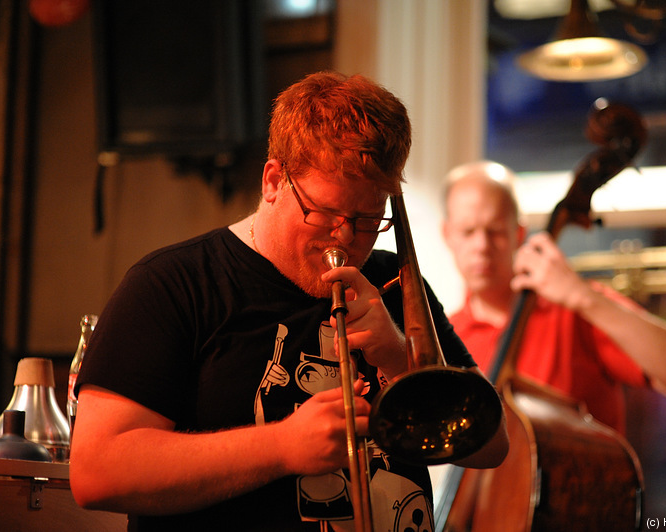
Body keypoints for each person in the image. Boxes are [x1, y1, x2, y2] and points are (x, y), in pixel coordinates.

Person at [69, 72, 508, 531]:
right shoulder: (171, 284)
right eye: (325, 213)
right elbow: (97, 471)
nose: (345, 238)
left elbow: (493, 444)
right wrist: (282, 446)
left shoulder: (394, 283)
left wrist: (399, 358)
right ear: (274, 180)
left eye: (366, 220)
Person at [441, 160, 666, 434]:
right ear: (448, 235)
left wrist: (582, 297)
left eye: (495, 231)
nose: (481, 246)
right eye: (468, 232)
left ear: (519, 233)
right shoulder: (444, 340)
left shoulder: (575, 307)